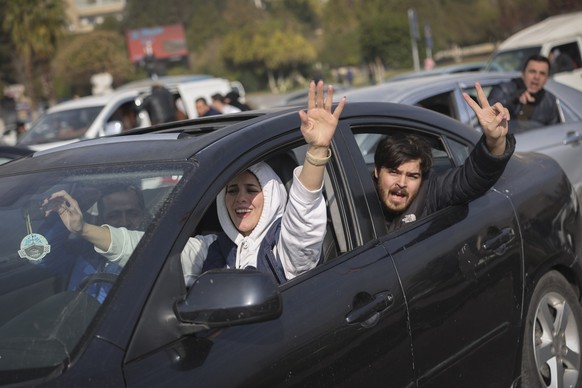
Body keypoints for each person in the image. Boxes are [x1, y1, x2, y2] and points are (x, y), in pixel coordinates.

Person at [42, 81, 346, 287]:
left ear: (272, 195)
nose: (241, 199)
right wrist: (83, 229)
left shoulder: (285, 249)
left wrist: (317, 152)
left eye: (252, 190)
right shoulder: (212, 248)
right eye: (232, 190)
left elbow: (303, 222)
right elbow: (144, 252)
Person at [374, 82, 515, 232]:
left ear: (422, 177)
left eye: (412, 176)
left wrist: (495, 141)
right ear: (376, 171)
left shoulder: (430, 194)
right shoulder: (354, 194)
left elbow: (473, 177)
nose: (401, 183)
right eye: (394, 172)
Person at [487, 54, 559, 126]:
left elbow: (554, 131)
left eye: (542, 73)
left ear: (547, 78)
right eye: (532, 71)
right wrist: (512, 100)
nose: (537, 77)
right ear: (523, 74)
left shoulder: (550, 101)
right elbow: (488, 115)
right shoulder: (503, 89)